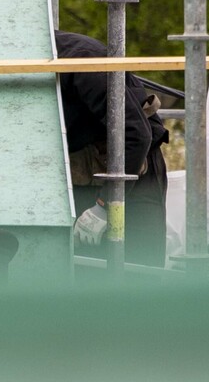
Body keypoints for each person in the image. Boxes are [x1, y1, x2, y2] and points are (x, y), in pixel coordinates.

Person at [55, 30, 171, 257]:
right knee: (88, 270)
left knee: (137, 271)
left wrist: (104, 204)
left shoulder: (81, 59)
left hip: (135, 169)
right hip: (84, 170)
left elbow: (136, 134)